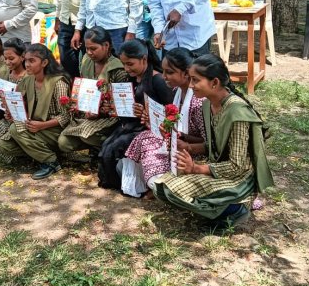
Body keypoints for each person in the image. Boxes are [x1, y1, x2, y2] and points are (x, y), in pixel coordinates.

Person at [152, 54, 274, 232]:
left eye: (195, 80)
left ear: (214, 83)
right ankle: (220, 208)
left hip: (239, 180)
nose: (191, 85)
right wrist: (188, 146)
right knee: (161, 187)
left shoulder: (237, 113)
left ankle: (236, 207)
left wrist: (196, 169)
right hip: (216, 166)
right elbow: (215, 145)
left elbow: (237, 167)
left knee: (174, 190)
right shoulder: (208, 105)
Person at [125, 48, 205, 195]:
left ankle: (161, 188)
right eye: (163, 71)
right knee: (143, 138)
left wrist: (185, 142)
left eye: (170, 72)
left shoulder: (199, 101)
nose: (164, 76)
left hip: (194, 152)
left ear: (186, 73)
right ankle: (156, 186)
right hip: (179, 143)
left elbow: (209, 143)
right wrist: (153, 122)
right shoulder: (178, 91)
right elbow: (172, 127)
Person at [97, 39, 174, 191]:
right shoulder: (131, 78)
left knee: (116, 147)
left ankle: (121, 183)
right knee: (107, 146)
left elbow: (170, 111)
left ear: (144, 59)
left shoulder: (157, 80)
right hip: (132, 125)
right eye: (124, 64)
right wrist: (113, 106)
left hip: (151, 131)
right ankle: (113, 181)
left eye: (130, 64)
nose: (126, 68)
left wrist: (147, 114)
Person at [0, 44, 72, 179]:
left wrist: (42, 125)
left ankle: (50, 161)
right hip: (33, 127)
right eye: (25, 60)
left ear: (44, 62)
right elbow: (21, 106)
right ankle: (39, 153)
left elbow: (66, 116)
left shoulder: (58, 83)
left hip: (53, 129)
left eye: (32, 61)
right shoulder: (27, 80)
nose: (27, 64)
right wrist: (12, 114)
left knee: (14, 129)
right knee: (3, 145)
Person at [57, 27, 129, 155]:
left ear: (106, 46)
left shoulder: (118, 69)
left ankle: (109, 148)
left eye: (93, 48)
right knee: (64, 143)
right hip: (87, 115)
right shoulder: (86, 60)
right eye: (87, 48)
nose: (89, 52)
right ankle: (97, 149)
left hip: (110, 119)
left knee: (88, 136)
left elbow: (122, 106)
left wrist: (102, 112)